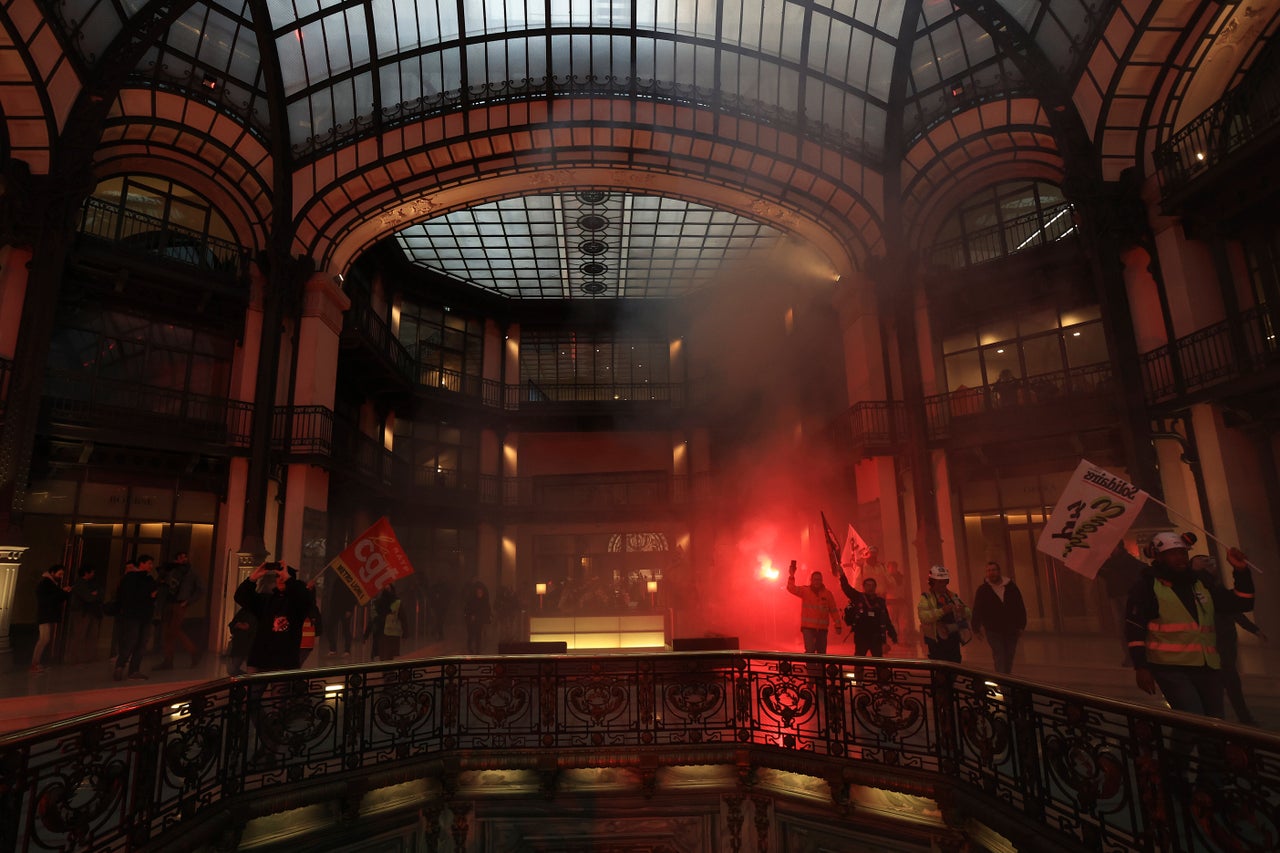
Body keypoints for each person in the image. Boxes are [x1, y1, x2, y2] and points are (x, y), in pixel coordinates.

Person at [1125, 531, 1255, 720]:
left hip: (1207, 666)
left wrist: (1241, 571)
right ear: (1159, 557)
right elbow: (1134, 628)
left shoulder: (1201, 582)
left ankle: (1188, 750)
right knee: (1193, 718)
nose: (1179, 558)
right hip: (1170, 668)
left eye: (1182, 553)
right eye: (1172, 553)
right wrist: (1141, 667)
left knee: (1213, 721)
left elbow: (1242, 603)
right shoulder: (1146, 586)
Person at [1194, 555, 1264, 725]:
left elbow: (1235, 608)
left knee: (1229, 682)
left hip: (1224, 642)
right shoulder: (1200, 587)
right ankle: (1237, 719)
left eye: (1212, 563)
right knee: (1226, 682)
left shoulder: (1215, 587)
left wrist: (1254, 629)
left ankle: (1239, 718)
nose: (1212, 565)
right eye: (1206, 563)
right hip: (1214, 644)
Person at [234, 561, 314, 672]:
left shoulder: (297, 604)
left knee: (280, 688)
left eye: (283, 577)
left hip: (284, 661)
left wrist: (288, 578)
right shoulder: (266, 600)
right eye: (278, 576)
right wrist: (253, 578)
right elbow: (241, 597)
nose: (280, 579)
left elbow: (304, 598)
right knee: (253, 688)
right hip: (259, 658)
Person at [970, 561, 1027, 674]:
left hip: (1011, 629)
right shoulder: (983, 590)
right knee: (999, 655)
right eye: (989, 570)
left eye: (993, 570)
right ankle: (1002, 682)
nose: (991, 573)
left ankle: (1006, 677)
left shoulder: (1011, 587)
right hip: (993, 630)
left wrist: (1021, 625)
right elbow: (977, 609)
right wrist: (976, 628)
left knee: (1009, 655)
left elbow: (1019, 606)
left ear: (999, 572)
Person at [1098, 541, 1146, 666]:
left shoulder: (1127, 561)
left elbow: (1140, 570)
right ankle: (1129, 656)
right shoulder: (1110, 562)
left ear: (1118, 546)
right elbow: (1103, 572)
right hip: (1115, 595)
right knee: (1121, 628)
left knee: (1130, 626)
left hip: (1126, 595)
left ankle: (1135, 656)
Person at [114, 557, 159, 681]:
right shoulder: (143, 579)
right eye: (149, 563)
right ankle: (130, 669)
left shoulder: (130, 579)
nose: (151, 566)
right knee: (136, 641)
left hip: (136, 614)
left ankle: (123, 667)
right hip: (138, 614)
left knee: (134, 641)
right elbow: (151, 595)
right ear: (142, 564)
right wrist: (149, 596)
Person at [156, 551, 203, 670]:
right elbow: (161, 577)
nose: (184, 559)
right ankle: (168, 660)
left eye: (185, 557)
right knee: (167, 632)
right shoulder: (171, 570)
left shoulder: (191, 573)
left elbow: (200, 589)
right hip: (168, 602)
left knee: (174, 630)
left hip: (179, 604)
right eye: (181, 557)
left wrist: (188, 601)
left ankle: (193, 651)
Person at [918, 565, 972, 663]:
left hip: (953, 642)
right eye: (939, 582)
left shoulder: (953, 596)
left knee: (955, 668)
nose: (943, 584)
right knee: (940, 674)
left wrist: (963, 611)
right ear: (932, 582)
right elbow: (923, 616)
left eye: (945, 581)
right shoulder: (926, 598)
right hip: (936, 644)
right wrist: (942, 611)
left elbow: (968, 613)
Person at [785, 560, 842, 654]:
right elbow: (791, 588)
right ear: (811, 580)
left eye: (819, 579)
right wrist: (791, 575)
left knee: (821, 653)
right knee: (810, 652)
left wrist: (838, 625)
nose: (817, 581)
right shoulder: (805, 591)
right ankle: (811, 669)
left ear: (822, 580)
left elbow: (833, 610)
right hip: (808, 628)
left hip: (822, 629)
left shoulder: (828, 594)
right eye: (815, 579)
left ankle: (820, 668)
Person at [31, 564, 71, 673]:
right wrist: (63, 592)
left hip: (46, 615)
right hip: (45, 615)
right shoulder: (46, 584)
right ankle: (34, 663)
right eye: (60, 574)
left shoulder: (49, 584)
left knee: (44, 639)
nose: (61, 576)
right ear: (53, 572)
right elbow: (50, 599)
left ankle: (36, 663)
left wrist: (62, 592)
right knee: (44, 639)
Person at [67, 566, 104, 663]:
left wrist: (94, 595)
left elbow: (96, 595)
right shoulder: (80, 584)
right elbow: (89, 597)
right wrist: (93, 595)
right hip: (82, 612)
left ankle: (86, 657)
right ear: (86, 573)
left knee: (88, 635)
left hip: (88, 611)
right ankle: (75, 657)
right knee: (80, 635)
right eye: (92, 572)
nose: (93, 574)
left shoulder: (85, 584)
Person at [324, 574, 358, 658]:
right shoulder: (337, 580)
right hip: (335, 609)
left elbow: (353, 597)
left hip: (345, 609)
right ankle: (333, 649)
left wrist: (349, 609)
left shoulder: (351, 582)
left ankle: (347, 650)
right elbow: (333, 595)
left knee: (345, 630)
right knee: (329, 627)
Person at [370, 584, 403, 661]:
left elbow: (402, 616)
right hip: (381, 630)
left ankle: (387, 671)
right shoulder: (377, 602)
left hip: (391, 632)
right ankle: (386, 671)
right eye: (384, 589)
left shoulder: (396, 602)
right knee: (383, 654)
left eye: (388, 589)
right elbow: (373, 618)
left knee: (389, 655)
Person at [463, 581, 491, 654]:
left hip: (479, 621)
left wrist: (487, 619)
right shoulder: (471, 600)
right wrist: (470, 616)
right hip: (471, 622)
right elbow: (467, 609)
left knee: (478, 635)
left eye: (481, 592)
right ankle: (470, 647)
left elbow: (487, 610)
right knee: (471, 635)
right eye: (478, 592)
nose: (480, 594)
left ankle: (478, 650)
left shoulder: (484, 601)